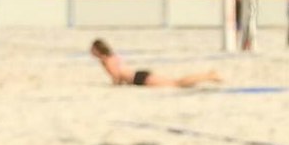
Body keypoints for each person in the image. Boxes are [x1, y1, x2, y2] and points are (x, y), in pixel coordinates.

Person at [88, 39, 222, 88]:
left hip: (138, 78)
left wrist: (115, 85)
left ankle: (209, 76)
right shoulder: (113, 55)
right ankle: (208, 76)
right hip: (139, 75)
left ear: (98, 50)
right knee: (175, 82)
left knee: (176, 84)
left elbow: (117, 76)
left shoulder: (105, 61)